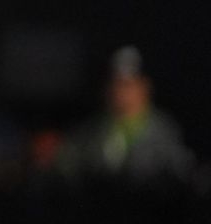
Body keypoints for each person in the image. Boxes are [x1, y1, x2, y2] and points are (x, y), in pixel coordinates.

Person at [57, 46, 194, 183]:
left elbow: (181, 170)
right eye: (115, 83)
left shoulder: (166, 131)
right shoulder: (91, 131)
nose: (120, 92)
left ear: (145, 86)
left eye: (128, 84)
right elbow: (68, 163)